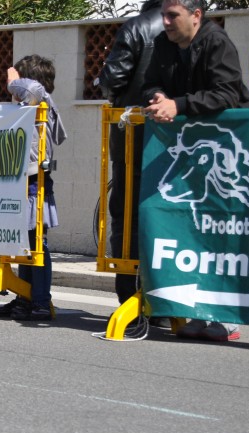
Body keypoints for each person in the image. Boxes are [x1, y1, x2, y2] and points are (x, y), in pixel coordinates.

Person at [142, 0, 249, 342]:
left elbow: (226, 94)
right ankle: (197, 312)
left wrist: (178, 105)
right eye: (163, 15)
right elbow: (149, 83)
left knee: (223, 232)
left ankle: (227, 318)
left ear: (196, 15)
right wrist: (158, 96)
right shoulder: (163, 44)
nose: (165, 22)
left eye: (172, 15)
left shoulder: (217, 43)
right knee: (192, 231)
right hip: (189, 149)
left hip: (227, 150)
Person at [95, 0, 164, 305]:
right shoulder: (194, 29)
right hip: (175, 141)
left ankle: (130, 293)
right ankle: (164, 300)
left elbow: (113, 79)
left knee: (127, 216)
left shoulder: (138, 26)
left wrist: (107, 86)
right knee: (167, 215)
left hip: (132, 137)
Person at [0, 55, 67, 321]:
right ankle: (24, 297)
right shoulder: (27, 106)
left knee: (38, 244)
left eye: (20, 81)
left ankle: (41, 301)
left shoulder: (40, 98)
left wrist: (13, 82)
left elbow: (33, 89)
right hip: (21, 183)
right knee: (24, 244)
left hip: (36, 185)